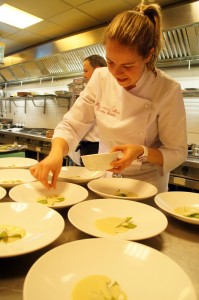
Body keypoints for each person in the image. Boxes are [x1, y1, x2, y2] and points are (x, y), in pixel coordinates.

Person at [30, 1, 187, 193]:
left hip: (146, 185)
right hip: (105, 180)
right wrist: (55, 155)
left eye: (127, 66)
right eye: (111, 62)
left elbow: (177, 152)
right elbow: (72, 125)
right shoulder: (100, 77)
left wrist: (141, 151)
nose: (116, 73)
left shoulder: (167, 89)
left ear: (148, 56)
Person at [75, 55, 107, 162]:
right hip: (88, 145)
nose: (84, 75)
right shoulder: (91, 91)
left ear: (97, 70)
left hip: (95, 147)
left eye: (86, 71)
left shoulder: (105, 91)